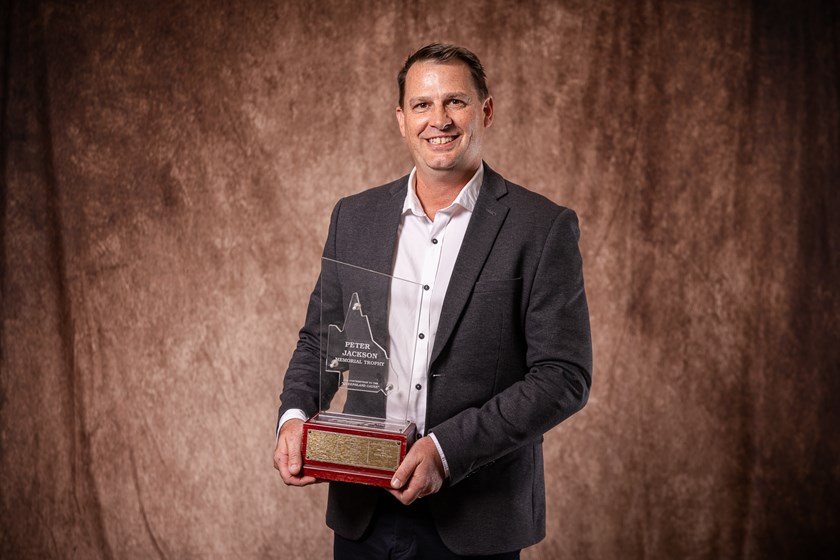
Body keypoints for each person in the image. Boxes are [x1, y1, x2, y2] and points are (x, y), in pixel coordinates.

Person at [274, 43, 592, 559]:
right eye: (422, 105)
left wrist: (446, 452)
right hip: (364, 512)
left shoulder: (541, 228)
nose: (438, 120)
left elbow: (563, 375)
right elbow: (322, 340)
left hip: (476, 516)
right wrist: (294, 417)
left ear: (485, 110)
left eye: (455, 102)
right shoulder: (354, 218)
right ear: (401, 118)